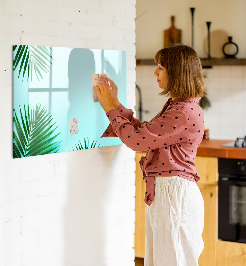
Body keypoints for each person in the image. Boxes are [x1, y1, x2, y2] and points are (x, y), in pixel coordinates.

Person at [94, 44, 206, 266]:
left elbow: (137, 141)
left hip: (174, 195)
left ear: (177, 72)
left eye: (161, 67)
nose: (155, 72)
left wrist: (109, 108)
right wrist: (115, 103)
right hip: (169, 193)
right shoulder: (179, 106)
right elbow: (145, 133)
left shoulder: (183, 111)